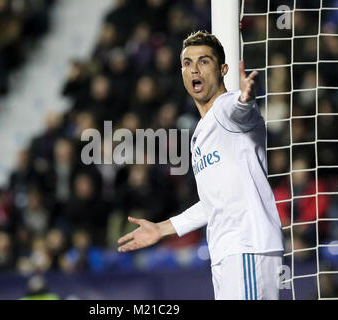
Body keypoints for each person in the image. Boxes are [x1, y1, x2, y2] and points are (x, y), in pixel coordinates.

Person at [117, 31, 284, 300]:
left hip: (247, 246)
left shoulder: (227, 107)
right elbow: (212, 202)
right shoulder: (199, 134)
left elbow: (240, 111)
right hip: (227, 253)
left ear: (222, 70)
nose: (194, 69)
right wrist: (162, 228)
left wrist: (245, 99)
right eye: (187, 63)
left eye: (204, 61)